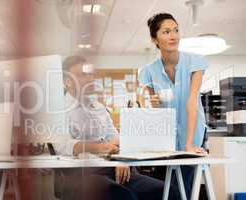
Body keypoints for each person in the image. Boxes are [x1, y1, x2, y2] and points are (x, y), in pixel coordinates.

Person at [53, 55, 179, 200]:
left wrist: (121, 159)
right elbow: (62, 146)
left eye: (90, 74)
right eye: (83, 75)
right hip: (80, 175)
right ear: (67, 81)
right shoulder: (59, 110)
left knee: (168, 192)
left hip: (111, 168)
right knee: (123, 196)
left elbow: (116, 139)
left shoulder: (99, 108)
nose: (90, 79)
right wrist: (100, 148)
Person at [138, 13, 208, 198]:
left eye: (176, 30)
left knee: (185, 183)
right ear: (155, 39)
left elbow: (192, 101)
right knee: (168, 189)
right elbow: (150, 109)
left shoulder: (195, 61)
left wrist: (189, 145)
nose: (174, 36)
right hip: (165, 139)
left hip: (191, 133)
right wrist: (151, 103)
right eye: (166, 31)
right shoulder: (147, 71)